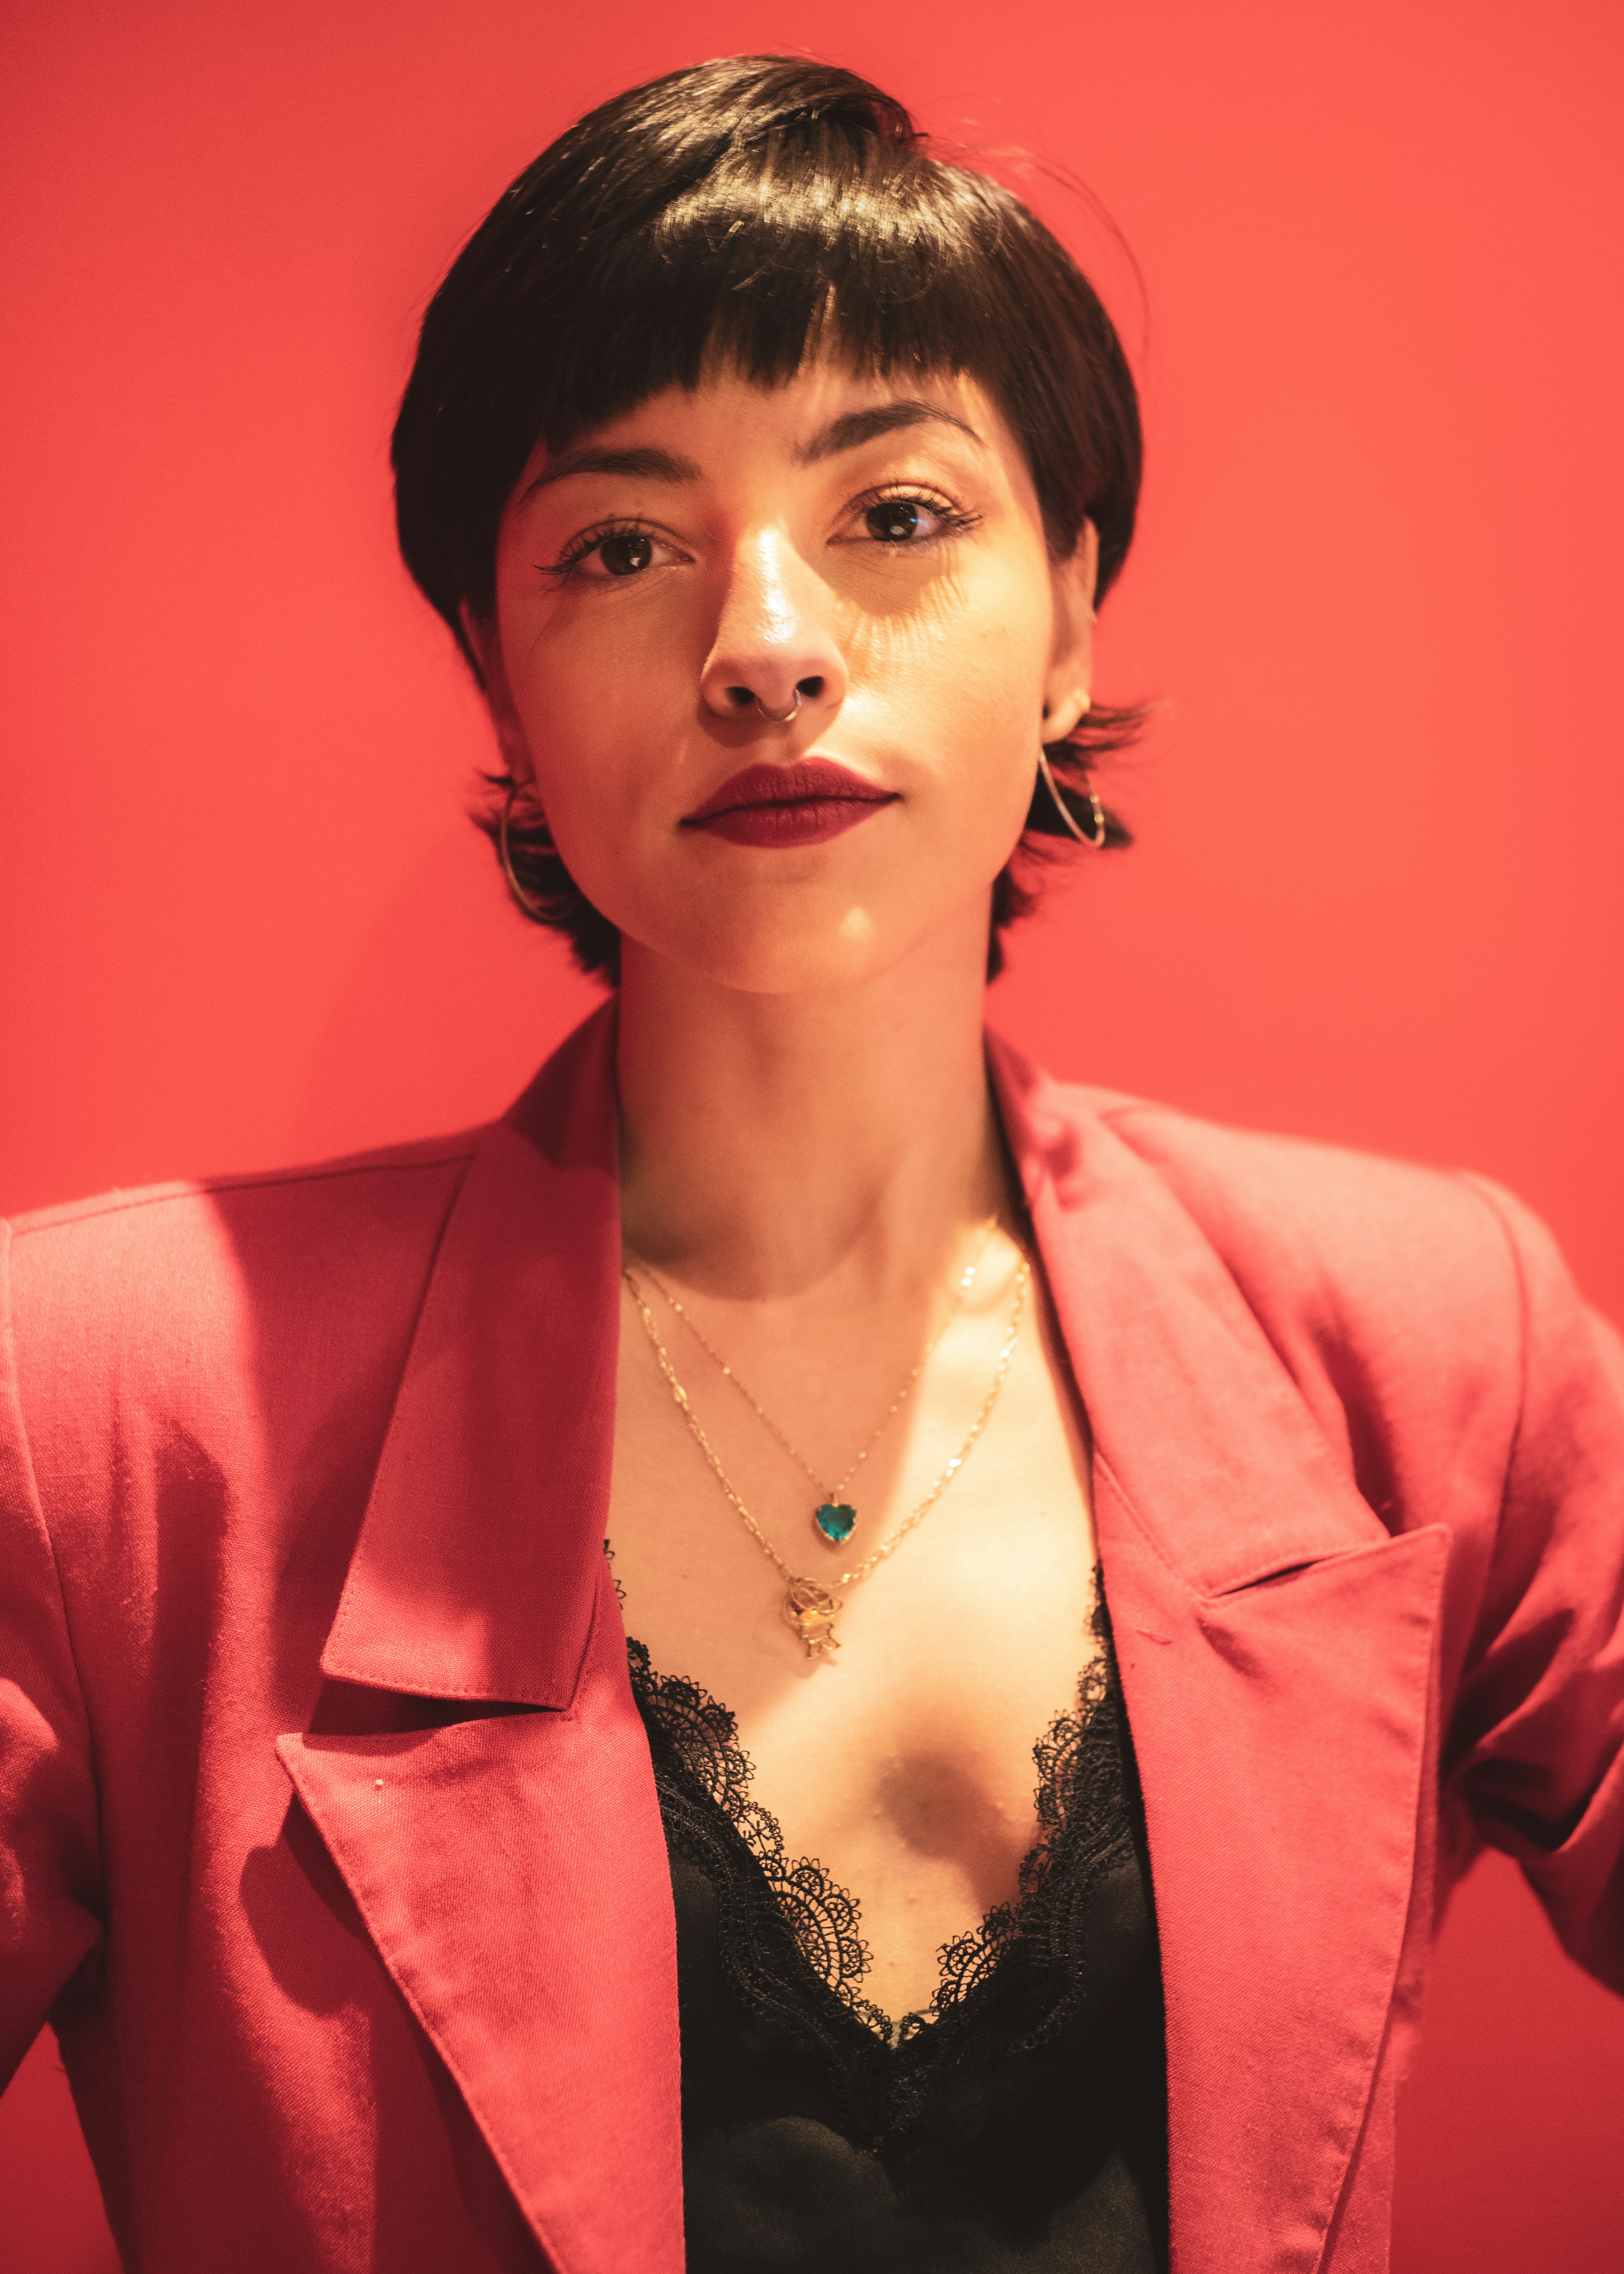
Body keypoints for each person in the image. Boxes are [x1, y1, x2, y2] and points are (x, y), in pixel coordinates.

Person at [1, 53, 1620, 2274]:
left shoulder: (1435, 1340)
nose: (765, 642)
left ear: (1068, 617)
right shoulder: (99, 1419)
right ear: (497, 673)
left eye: (895, 511)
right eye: (623, 544)